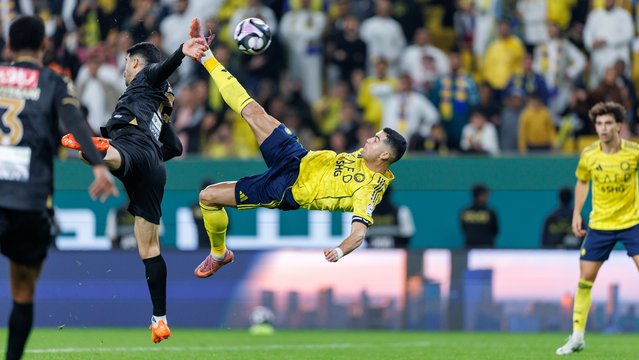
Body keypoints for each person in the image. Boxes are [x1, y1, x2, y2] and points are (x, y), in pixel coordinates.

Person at [186, 18, 407, 276]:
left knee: (208, 197)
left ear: (384, 155)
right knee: (253, 110)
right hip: (297, 156)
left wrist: (339, 250)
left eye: (377, 140)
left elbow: (358, 233)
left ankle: (219, 254)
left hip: (285, 188)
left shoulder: (369, 189)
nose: (370, 139)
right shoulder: (366, 155)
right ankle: (206, 56)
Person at [61, 33, 208, 342]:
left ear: (137, 63)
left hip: (131, 144)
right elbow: (176, 147)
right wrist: (152, 155)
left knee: (102, 154)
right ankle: (159, 319)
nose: (124, 70)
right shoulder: (162, 103)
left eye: (126, 63)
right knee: (149, 249)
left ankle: (101, 149)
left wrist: (182, 51)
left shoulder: (146, 78)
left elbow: (161, 69)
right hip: (155, 168)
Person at [0, 15, 119, 360]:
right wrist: (98, 166)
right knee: (22, 291)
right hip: (29, 199)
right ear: (44, 46)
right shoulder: (54, 80)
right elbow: (73, 121)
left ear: (8, 46)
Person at [556, 101, 639, 355]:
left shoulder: (634, 152)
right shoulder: (589, 154)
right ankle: (578, 336)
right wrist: (576, 213)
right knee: (585, 281)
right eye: (599, 124)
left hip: (632, 223)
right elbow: (582, 182)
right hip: (600, 225)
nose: (603, 128)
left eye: (608, 124)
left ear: (619, 126)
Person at [460, 184, 499, 248]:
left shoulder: (465, 211)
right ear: (480, 196)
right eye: (485, 195)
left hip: (469, 246)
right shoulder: (490, 212)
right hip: (486, 247)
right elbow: (495, 231)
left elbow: (463, 228)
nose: (487, 197)